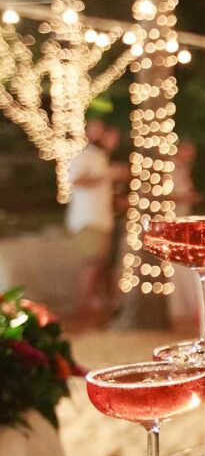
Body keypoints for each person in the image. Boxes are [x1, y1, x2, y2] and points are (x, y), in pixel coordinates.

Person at [66, 119, 116, 318]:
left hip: (102, 219)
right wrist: (107, 176)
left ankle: (94, 306)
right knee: (92, 263)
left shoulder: (101, 157)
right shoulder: (84, 157)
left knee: (100, 264)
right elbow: (77, 180)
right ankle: (84, 309)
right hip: (88, 220)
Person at [169, 139, 202, 216]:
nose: (191, 156)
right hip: (171, 214)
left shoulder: (184, 168)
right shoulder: (169, 167)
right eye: (188, 151)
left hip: (183, 213)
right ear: (179, 150)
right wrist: (185, 198)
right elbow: (163, 196)